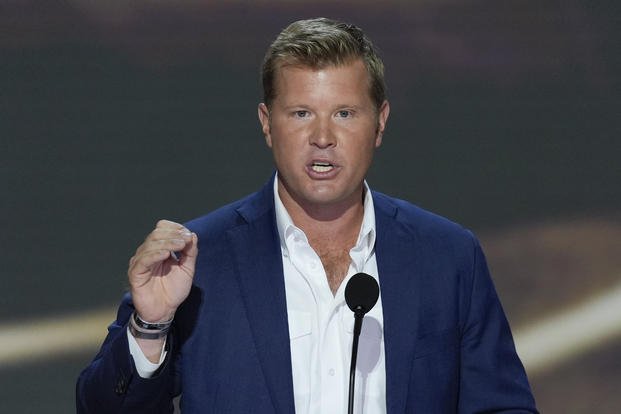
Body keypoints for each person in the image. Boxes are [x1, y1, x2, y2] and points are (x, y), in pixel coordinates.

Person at [76, 17, 537, 413]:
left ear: (379, 122)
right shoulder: (197, 260)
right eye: (300, 113)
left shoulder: (448, 256)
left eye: (344, 113)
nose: (322, 136)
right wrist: (150, 326)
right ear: (266, 123)